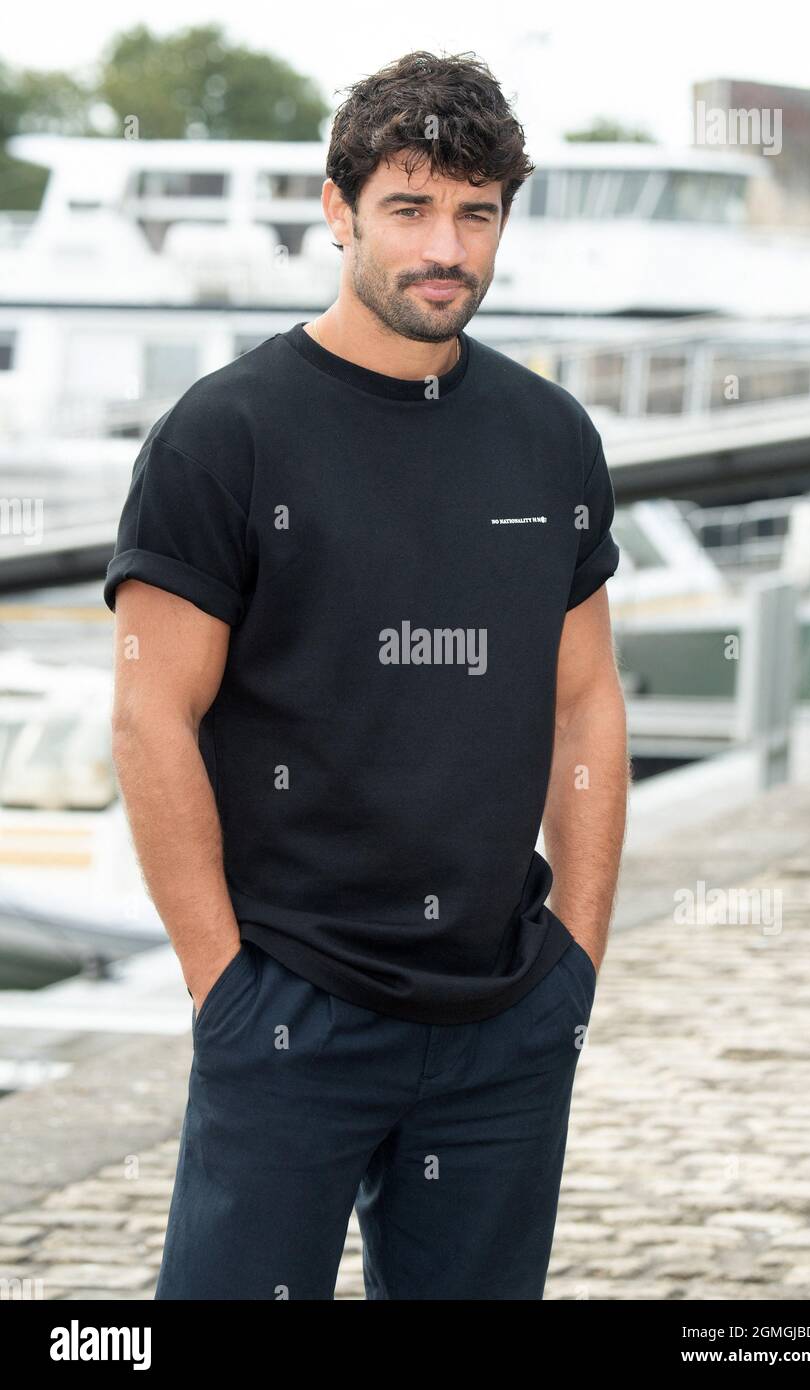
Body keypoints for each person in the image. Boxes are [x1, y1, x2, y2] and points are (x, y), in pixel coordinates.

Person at [104, 49, 629, 1300]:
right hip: (289, 1006)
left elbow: (583, 699)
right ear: (337, 211)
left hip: (503, 1017)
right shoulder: (224, 435)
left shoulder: (548, 434)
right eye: (407, 207)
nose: (442, 245)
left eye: (473, 211)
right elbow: (149, 715)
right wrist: (222, 985)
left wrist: (576, 959)